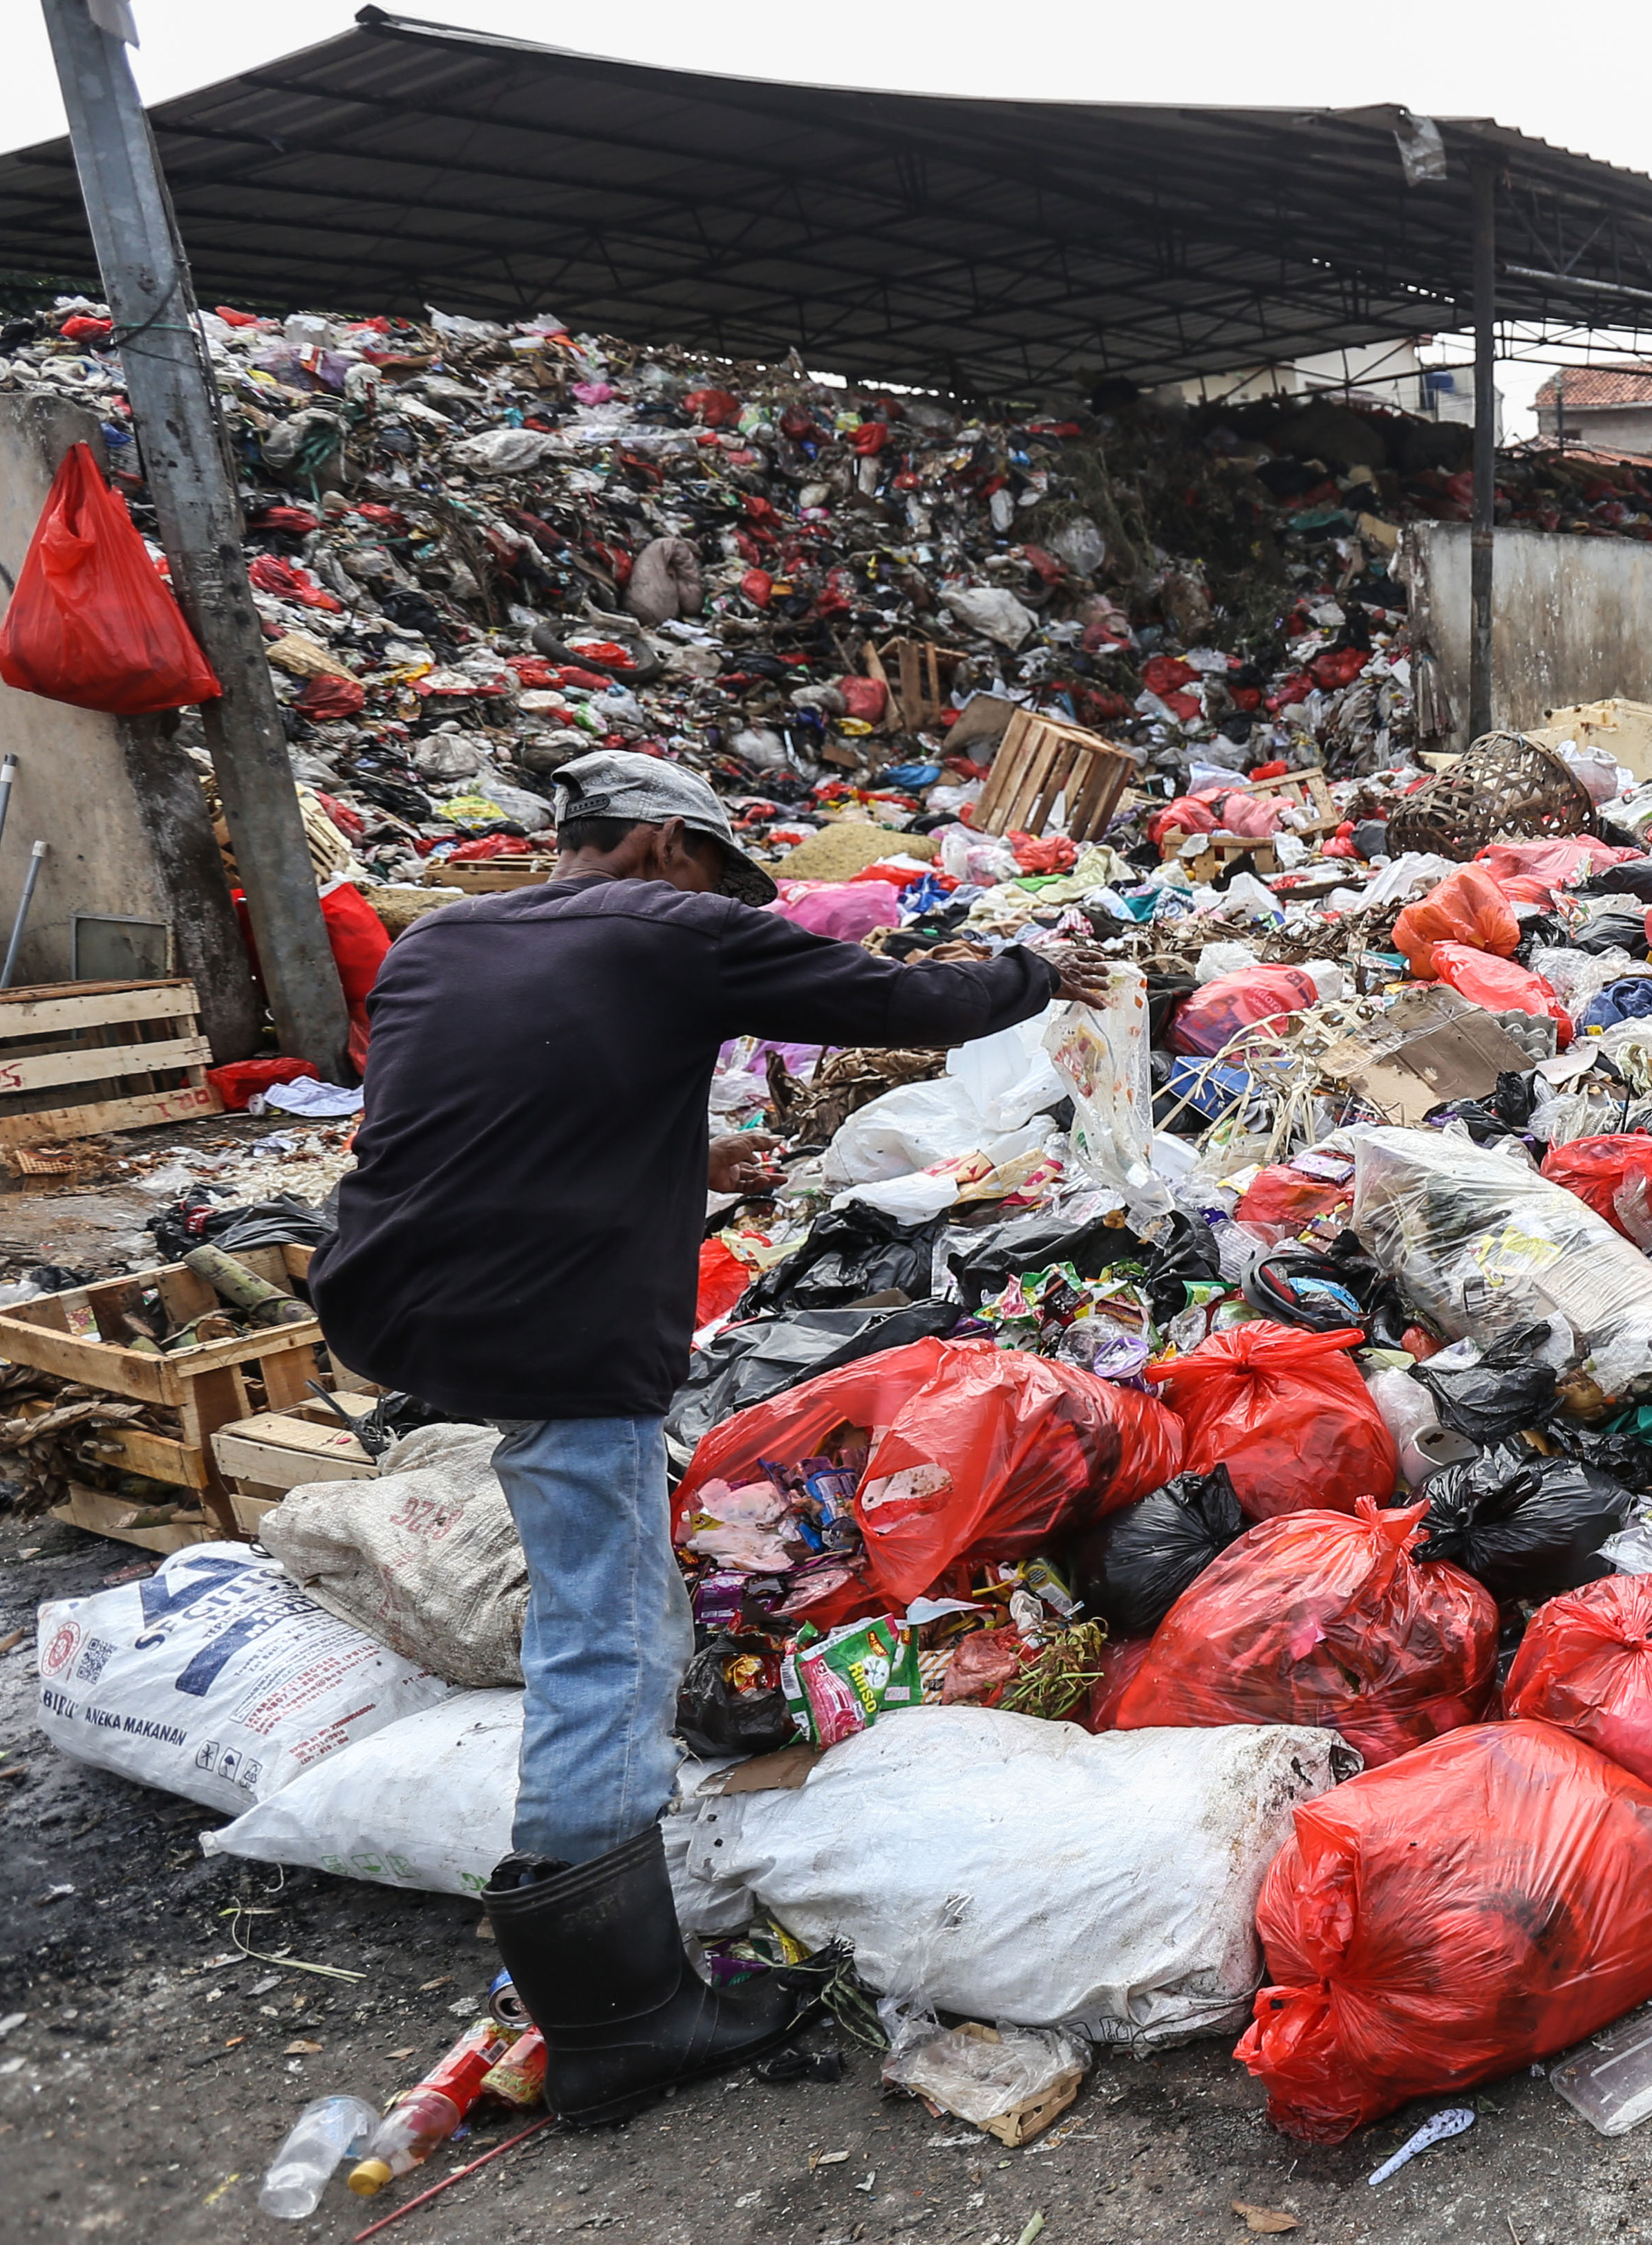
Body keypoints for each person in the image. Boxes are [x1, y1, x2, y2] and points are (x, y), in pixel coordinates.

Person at [312, 752, 1113, 2126]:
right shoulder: (667, 925)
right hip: (548, 1326)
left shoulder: (443, 935)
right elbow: (902, 998)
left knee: (594, 1576)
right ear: (661, 845)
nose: (723, 898)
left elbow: (501, 1117)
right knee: (610, 1634)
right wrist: (1039, 965)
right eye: (715, 870)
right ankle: (622, 2016)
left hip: (388, 1299)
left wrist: (701, 1162)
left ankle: (601, 1955)